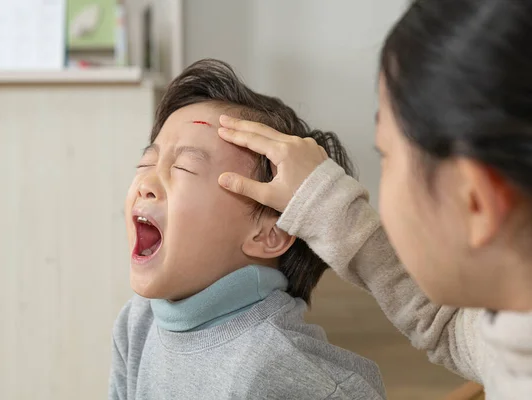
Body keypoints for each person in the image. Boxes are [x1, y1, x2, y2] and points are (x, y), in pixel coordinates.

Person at [216, 1, 532, 399]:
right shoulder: (508, 323)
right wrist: (323, 200)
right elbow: (445, 323)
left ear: (475, 203)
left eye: (385, 152)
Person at [108, 59, 386, 400]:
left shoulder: (283, 373)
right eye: (147, 162)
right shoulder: (137, 324)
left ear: (269, 233)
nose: (146, 182)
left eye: (184, 167)